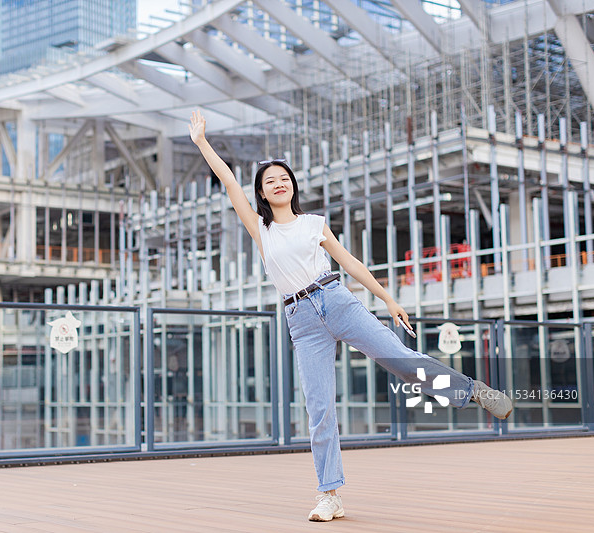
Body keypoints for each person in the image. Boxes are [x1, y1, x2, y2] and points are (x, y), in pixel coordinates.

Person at [188, 110, 513, 522]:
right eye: (270, 181)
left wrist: (388, 299)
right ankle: (330, 495)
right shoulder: (260, 229)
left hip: (336, 299)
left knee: (403, 362)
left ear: (293, 186)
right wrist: (201, 142)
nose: (279, 183)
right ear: (262, 194)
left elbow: (351, 263)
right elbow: (228, 180)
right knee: (319, 407)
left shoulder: (313, 224)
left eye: (284, 177)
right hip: (301, 320)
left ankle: (474, 392)